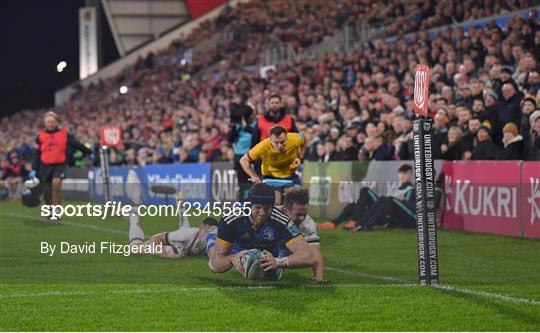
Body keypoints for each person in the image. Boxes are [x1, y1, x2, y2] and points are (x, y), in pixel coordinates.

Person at [208, 183, 316, 281]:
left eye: (267, 208)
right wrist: (232, 259)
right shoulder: (231, 219)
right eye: (258, 207)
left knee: (273, 276)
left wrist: (279, 262)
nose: (262, 213)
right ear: (249, 205)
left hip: (269, 253)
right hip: (237, 247)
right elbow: (217, 264)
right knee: (214, 263)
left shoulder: (282, 220)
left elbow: (308, 255)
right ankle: (211, 235)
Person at [31, 111, 92, 219]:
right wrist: (34, 168)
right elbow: (37, 153)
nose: (50, 124)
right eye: (48, 122)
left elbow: (76, 143)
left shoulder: (64, 133)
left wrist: (89, 152)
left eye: (52, 121)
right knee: (47, 191)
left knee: (56, 184)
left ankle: (57, 210)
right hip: (45, 166)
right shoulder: (40, 136)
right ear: (45, 123)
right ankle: (50, 209)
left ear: (56, 122)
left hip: (60, 164)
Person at [318, 164, 414, 231]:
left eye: (405, 173)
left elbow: (406, 209)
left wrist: (403, 200)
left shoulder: (410, 189)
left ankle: (358, 222)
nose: (402, 175)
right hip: (384, 213)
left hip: (390, 217)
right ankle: (333, 224)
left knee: (367, 191)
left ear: (410, 174)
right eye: (400, 173)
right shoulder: (398, 188)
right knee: (352, 205)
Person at [128, 192, 218, 259]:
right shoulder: (186, 235)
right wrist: (167, 255)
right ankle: (134, 215)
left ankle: (180, 205)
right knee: (135, 249)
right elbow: (156, 239)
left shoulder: (208, 240)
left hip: (180, 245)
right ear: (203, 228)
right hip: (162, 242)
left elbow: (184, 225)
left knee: (183, 231)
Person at [279, 186, 325, 282]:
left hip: (285, 251)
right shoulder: (271, 215)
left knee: (274, 273)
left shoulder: (308, 225)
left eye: (304, 214)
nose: (302, 218)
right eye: (298, 214)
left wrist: (319, 278)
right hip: (266, 246)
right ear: (286, 210)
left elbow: (315, 255)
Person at [240, 125, 306, 185]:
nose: (280, 146)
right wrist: (254, 177)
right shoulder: (263, 147)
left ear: (286, 137)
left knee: (299, 196)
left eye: (282, 142)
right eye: (276, 143)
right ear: (270, 140)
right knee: (276, 196)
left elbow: (304, 140)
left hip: (291, 174)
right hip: (270, 176)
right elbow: (243, 160)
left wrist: (300, 156)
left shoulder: (295, 138)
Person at [228, 102, 256, 200]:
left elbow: (255, 134)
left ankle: (250, 200)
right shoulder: (237, 126)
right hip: (239, 156)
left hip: (250, 155)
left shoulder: (255, 124)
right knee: (241, 182)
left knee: (250, 180)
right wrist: (236, 127)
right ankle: (242, 202)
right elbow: (229, 139)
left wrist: (246, 126)